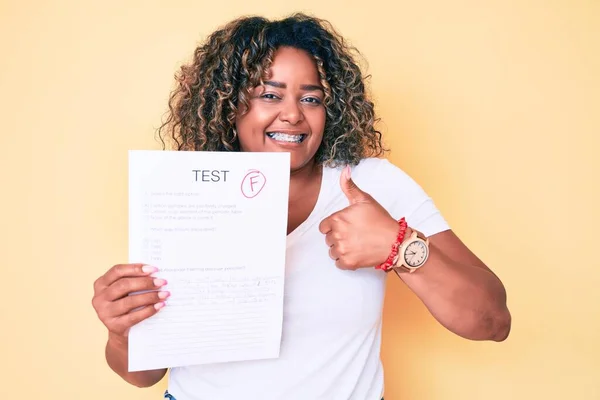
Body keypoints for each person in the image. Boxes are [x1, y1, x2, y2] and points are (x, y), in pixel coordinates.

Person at [91, 13, 511, 400]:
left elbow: (492, 321)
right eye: (269, 95)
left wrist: (399, 248)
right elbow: (143, 375)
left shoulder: (372, 184)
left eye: (310, 99)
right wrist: (122, 333)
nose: (292, 114)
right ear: (229, 106)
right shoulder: (186, 191)